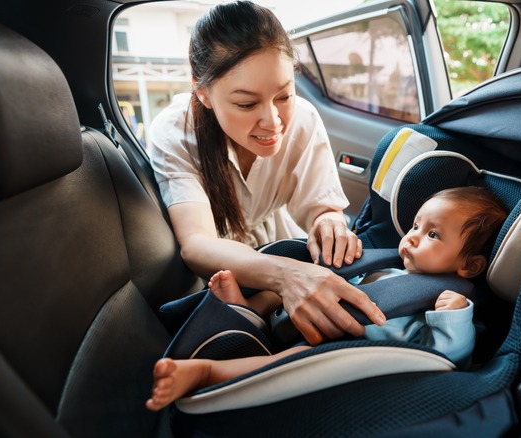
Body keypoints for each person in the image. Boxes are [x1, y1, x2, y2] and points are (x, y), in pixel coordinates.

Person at [147, 1, 385, 346]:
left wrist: (329, 223)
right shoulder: (174, 133)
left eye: (284, 95)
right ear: (203, 92)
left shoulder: (303, 119)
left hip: (280, 240)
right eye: (247, 104)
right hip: (223, 264)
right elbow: (198, 243)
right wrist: (287, 276)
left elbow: (321, 207)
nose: (274, 122)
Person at [146, 186, 508, 412]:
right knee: (279, 289)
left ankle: (208, 373)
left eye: (432, 234)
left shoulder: (451, 303)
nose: (412, 238)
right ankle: (247, 312)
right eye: (415, 225)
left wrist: (454, 317)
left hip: (343, 351)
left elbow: (449, 358)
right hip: (313, 316)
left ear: (469, 265)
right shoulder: (393, 266)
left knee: (296, 358)